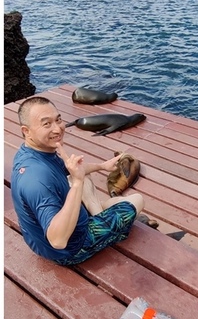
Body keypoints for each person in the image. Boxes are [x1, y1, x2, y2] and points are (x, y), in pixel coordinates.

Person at [10, 96, 146, 265]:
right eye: (46, 124)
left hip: (42, 238)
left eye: (58, 120)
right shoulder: (36, 179)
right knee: (136, 200)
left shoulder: (32, 152)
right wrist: (77, 183)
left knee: (87, 180)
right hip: (70, 249)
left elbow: (71, 170)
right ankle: (104, 223)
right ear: (26, 130)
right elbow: (58, 240)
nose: (57, 129)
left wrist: (102, 166)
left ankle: (98, 212)